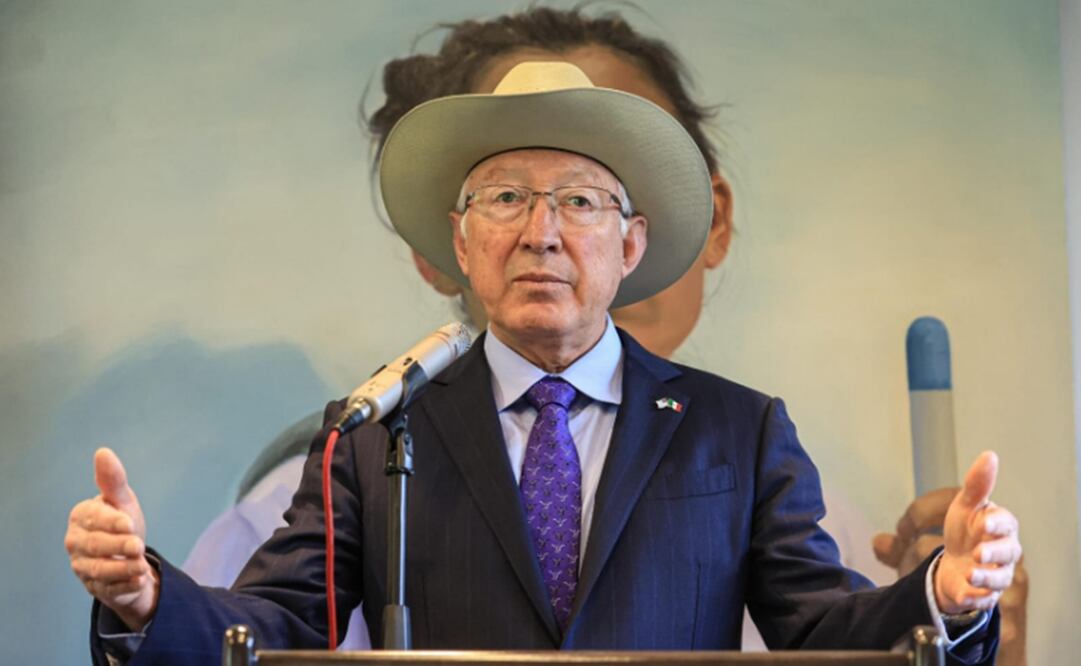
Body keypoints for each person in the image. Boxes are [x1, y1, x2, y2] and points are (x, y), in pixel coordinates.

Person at [67, 55, 1021, 665]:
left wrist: (944, 593)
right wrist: (145, 597)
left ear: (630, 243)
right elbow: (273, 623)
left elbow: (819, 630)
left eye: (578, 202)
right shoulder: (376, 432)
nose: (541, 234)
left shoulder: (738, 429)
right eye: (505, 199)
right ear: (460, 240)